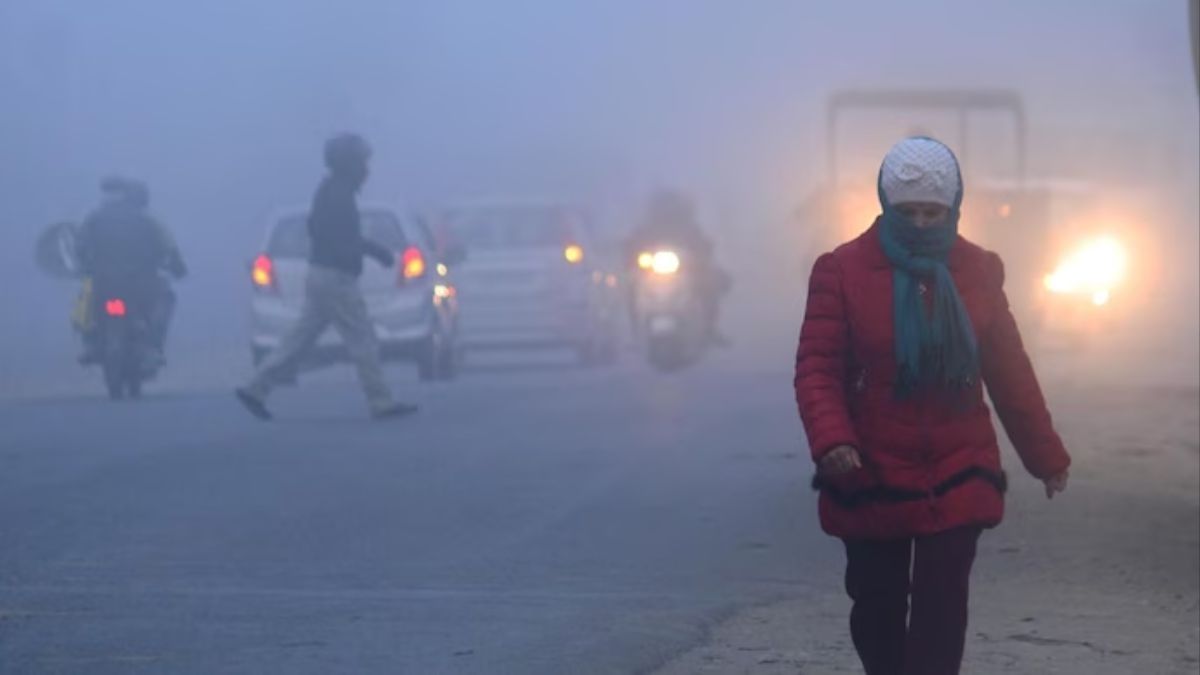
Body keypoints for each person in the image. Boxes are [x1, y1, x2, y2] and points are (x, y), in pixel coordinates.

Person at [794, 137, 1071, 675]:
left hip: (958, 460)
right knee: (877, 607)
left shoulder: (980, 272)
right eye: (908, 212)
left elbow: (1010, 372)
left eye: (932, 212)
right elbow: (817, 369)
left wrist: (1047, 457)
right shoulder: (841, 271)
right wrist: (833, 441)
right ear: (885, 205)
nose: (921, 224)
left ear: (953, 208)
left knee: (942, 609)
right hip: (870, 464)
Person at [235, 133, 416, 421]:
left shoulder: (330, 191)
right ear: (348, 164)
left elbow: (324, 232)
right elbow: (342, 238)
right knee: (363, 338)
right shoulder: (339, 195)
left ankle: (255, 387)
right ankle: (380, 400)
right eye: (361, 162)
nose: (366, 170)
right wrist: (374, 251)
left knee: (299, 340)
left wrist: (369, 250)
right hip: (336, 278)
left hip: (321, 275)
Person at [76, 177, 187, 366]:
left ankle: (90, 343)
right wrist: (178, 267)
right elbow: (169, 247)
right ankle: (153, 345)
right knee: (166, 298)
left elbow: (80, 247)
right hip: (140, 283)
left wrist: (85, 266)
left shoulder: (93, 219)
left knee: (84, 299)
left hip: (103, 282)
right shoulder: (148, 220)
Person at [623, 189, 730, 343]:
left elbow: (702, 244)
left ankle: (710, 329)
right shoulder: (648, 228)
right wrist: (631, 256)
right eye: (664, 208)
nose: (667, 213)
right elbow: (632, 245)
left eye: (671, 208)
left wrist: (700, 258)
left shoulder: (688, 227)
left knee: (708, 286)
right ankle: (635, 330)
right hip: (651, 276)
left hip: (685, 273)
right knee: (631, 289)